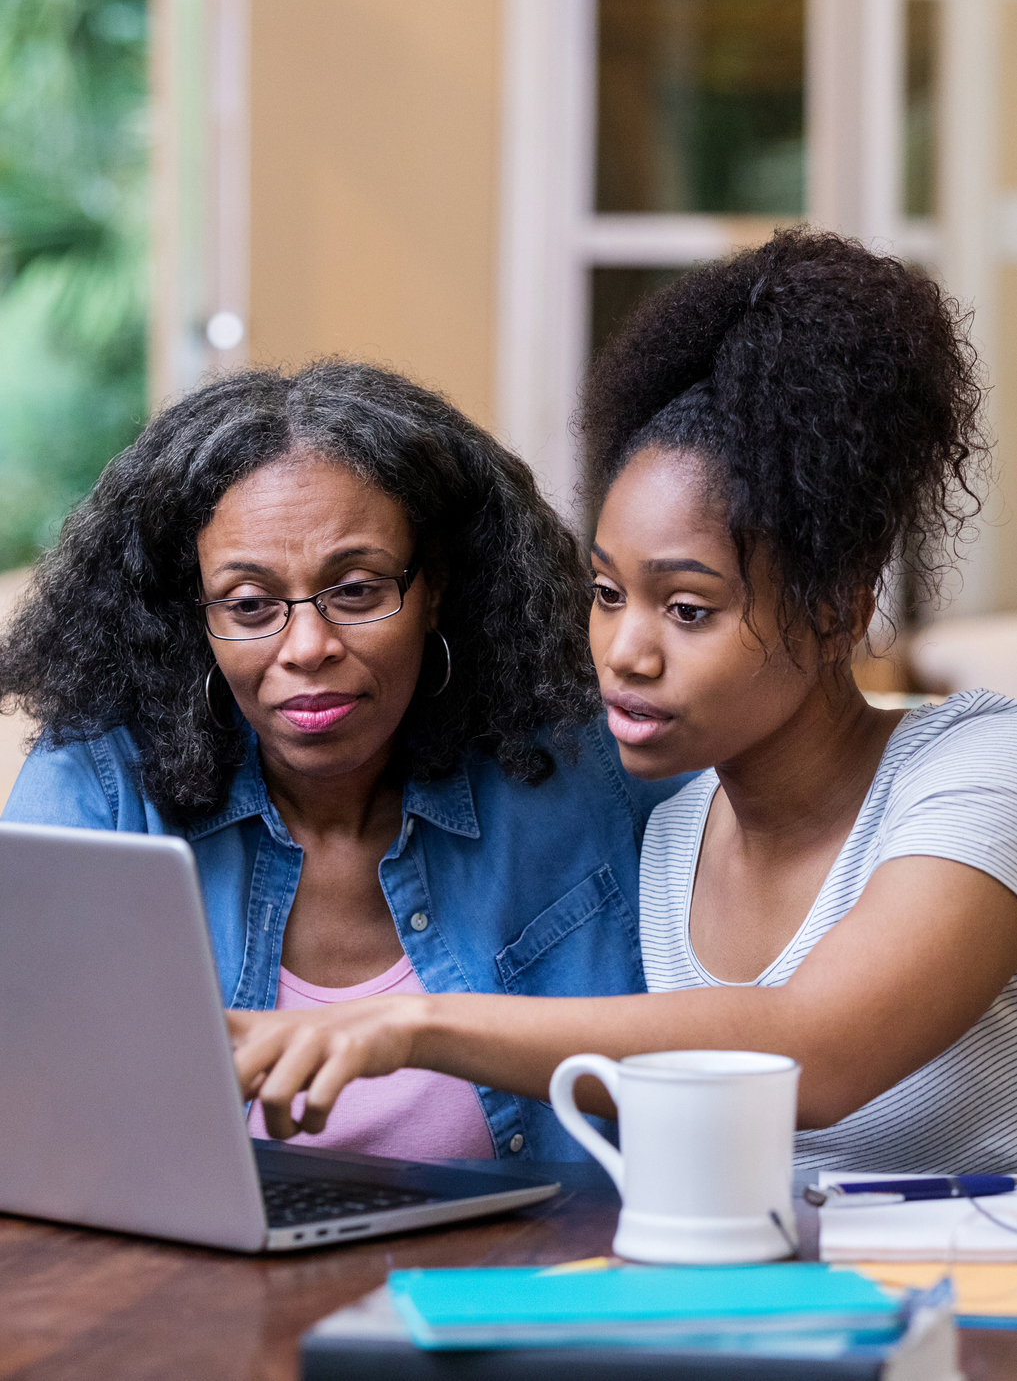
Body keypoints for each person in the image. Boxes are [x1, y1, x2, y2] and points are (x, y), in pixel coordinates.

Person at [229, 229, 1017, 1174]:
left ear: (837, 608)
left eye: (687, 609)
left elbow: (817, 1051)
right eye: (607, 594)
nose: (624, 653)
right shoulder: (667, 833)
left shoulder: (977, 771)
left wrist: (411, 1023)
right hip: (752, 1313)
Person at [0, 360, 689, 1162]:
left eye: (357, 590)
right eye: (250, 604)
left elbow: (749, 1040)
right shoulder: (100, 783)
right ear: (193, 616)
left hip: (541, 1278)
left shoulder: (591, 766)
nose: (307, 648)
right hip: (202, 1281)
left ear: (436, 586)